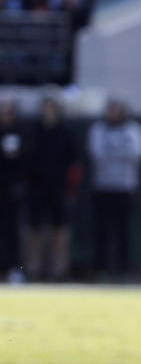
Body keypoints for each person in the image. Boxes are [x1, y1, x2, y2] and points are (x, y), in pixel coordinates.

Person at [86, 97, 141, 278]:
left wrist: (114, 152)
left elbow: (138, 153)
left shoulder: (134, 129)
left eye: (117, 110)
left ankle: (124, 268)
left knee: (124, 230)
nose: (114, 114)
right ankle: (101, 268)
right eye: (111, 110)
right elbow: (97, 153)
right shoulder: (98, 129)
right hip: (103, 187)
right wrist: (120, 153)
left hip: (126, 187)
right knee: (101, 230)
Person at [24, 95, 78, 281]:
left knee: (60, 229)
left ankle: (59, 270)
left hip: (59, 188)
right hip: (36, 187)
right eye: (45, 107)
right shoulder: (33, 130)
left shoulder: (65, 131)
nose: (48, 111)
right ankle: (32, 269)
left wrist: (70, 187)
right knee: (34, 229)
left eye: (51, 107)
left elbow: (73, 162)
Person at [0, 98, 27, 282]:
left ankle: (16, 269)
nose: (5, 115)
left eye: (8, 112)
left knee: (14, 233)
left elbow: (28, 160)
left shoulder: (22, 132)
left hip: (13, 190)